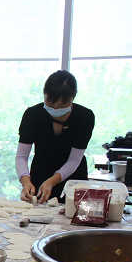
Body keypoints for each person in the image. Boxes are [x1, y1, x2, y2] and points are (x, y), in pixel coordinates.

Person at [16, 70, 95, 203]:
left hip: (73, 178)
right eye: (50, 104)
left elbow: (74, 159)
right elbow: (21, 157)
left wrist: (52, 182)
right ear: (44, 94)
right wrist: (25, 181)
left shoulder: (84, 117)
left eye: (62, 105)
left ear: (73, 98)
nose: (55, 109)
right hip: (40, 176)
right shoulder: (32, 115)